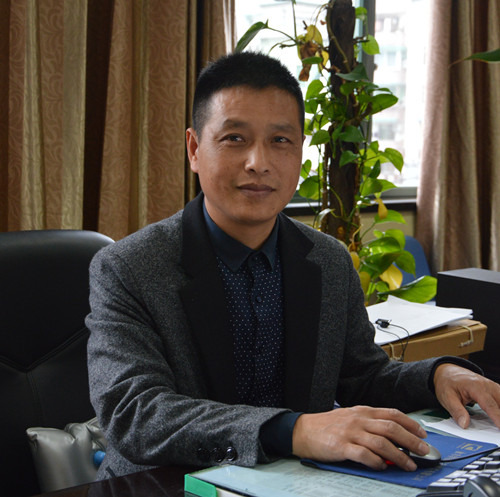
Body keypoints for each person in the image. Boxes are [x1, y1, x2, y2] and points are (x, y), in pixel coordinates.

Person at [86, 51, 500, 481]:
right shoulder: (128, 268)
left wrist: (437, 376)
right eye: (235, 138)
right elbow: (134, 413)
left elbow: (362, 375)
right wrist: (294, 430)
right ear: (194, 149)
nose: (258, 162)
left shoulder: (328, 260)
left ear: (300, 151)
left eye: (280, 141)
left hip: (297, 484)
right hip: (163, 485)